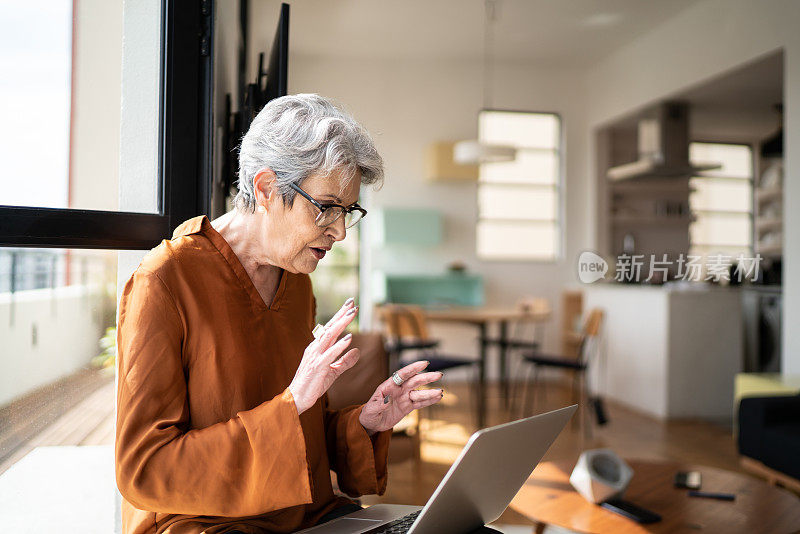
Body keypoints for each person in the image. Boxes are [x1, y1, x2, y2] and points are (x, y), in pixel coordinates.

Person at [115, 94, 444, 534]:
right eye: (326, 206)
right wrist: (293, 403)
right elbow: (144, 469)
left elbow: (297, 435)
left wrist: (363, 424)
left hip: (303, 516)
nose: (341, 231)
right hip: (206, 524)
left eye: (348, 211)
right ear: (267, 188)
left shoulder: (296, 281)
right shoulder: (163, 281)